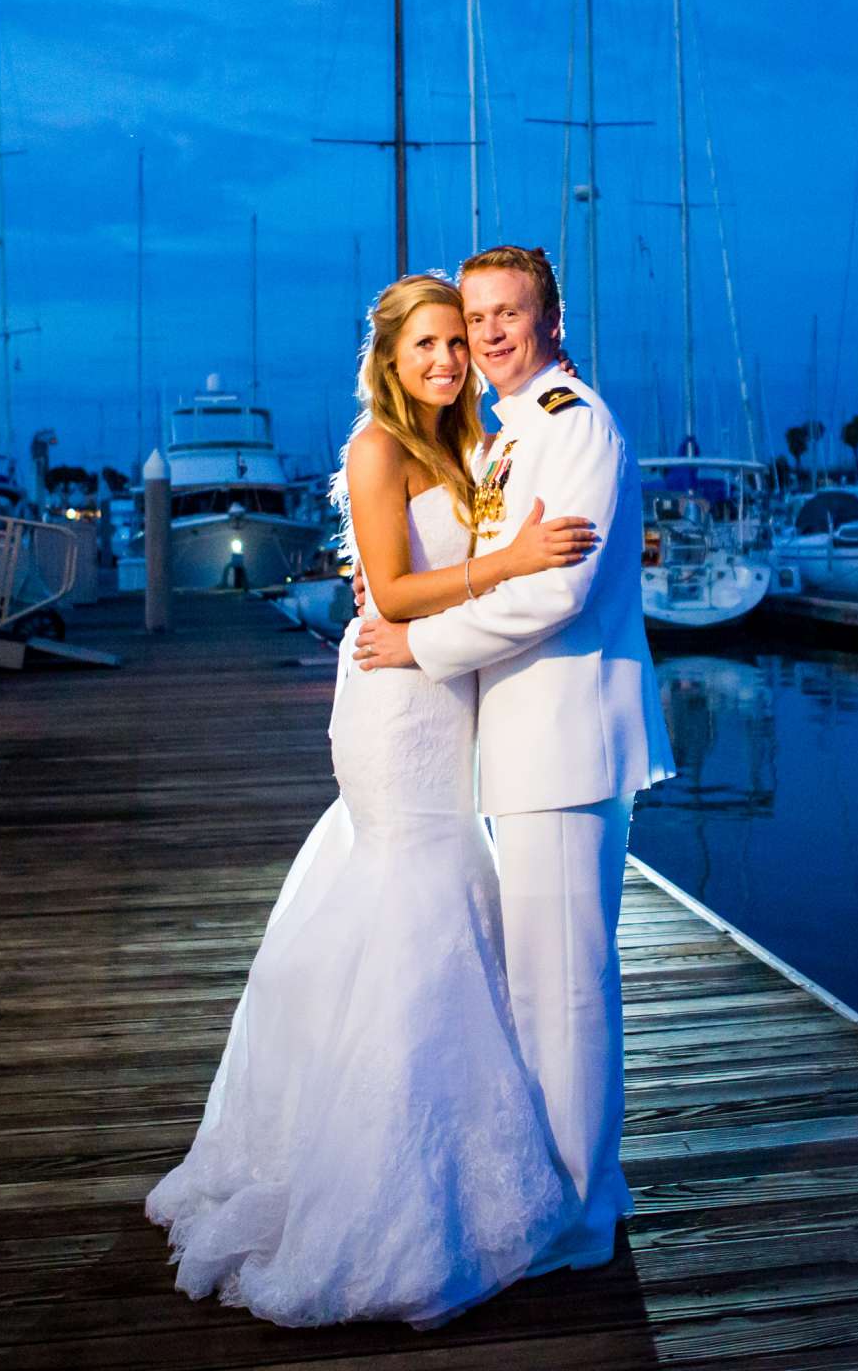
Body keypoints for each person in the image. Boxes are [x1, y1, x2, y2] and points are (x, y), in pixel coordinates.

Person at [146, 272, 602, 1328]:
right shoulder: (376, 449)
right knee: (415, 893)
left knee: (441, 900)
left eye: (458, 343)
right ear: (389, 358)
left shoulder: (467, 445)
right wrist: (520, 559)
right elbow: (391, 593)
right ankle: (383, 1187)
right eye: (428, 346)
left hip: (449, 701)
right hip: (396, 702)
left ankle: (447, 1157)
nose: (449, 360)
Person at [355, 244, 675, 1275]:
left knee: (566, 989)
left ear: (553, 320)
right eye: (476, 315)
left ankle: (580, 1221)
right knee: (540, 983)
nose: (489, 333)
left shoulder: (574, 425)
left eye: (508, 313)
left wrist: (418, 645)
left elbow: (552, 592)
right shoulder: (508, 438)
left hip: (567, 743)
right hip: (525, 747)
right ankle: (576, 1189)